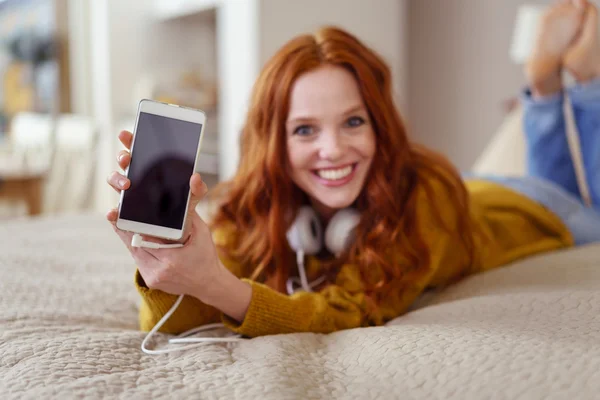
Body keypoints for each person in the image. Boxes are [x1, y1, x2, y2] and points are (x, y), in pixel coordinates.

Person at [106, 0, 600, 338]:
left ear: (380, 124)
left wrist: (217, 285)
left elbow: (347, 311)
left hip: (538, 211)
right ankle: (546, 90)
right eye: (304, 130)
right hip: (482, 189)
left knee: (582, 196)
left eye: (353, 121)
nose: (334, 149)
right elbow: (175, 322)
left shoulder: (422, 197)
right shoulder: (253, 205)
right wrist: (172, 271)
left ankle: (574, 85)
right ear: (272, 142)